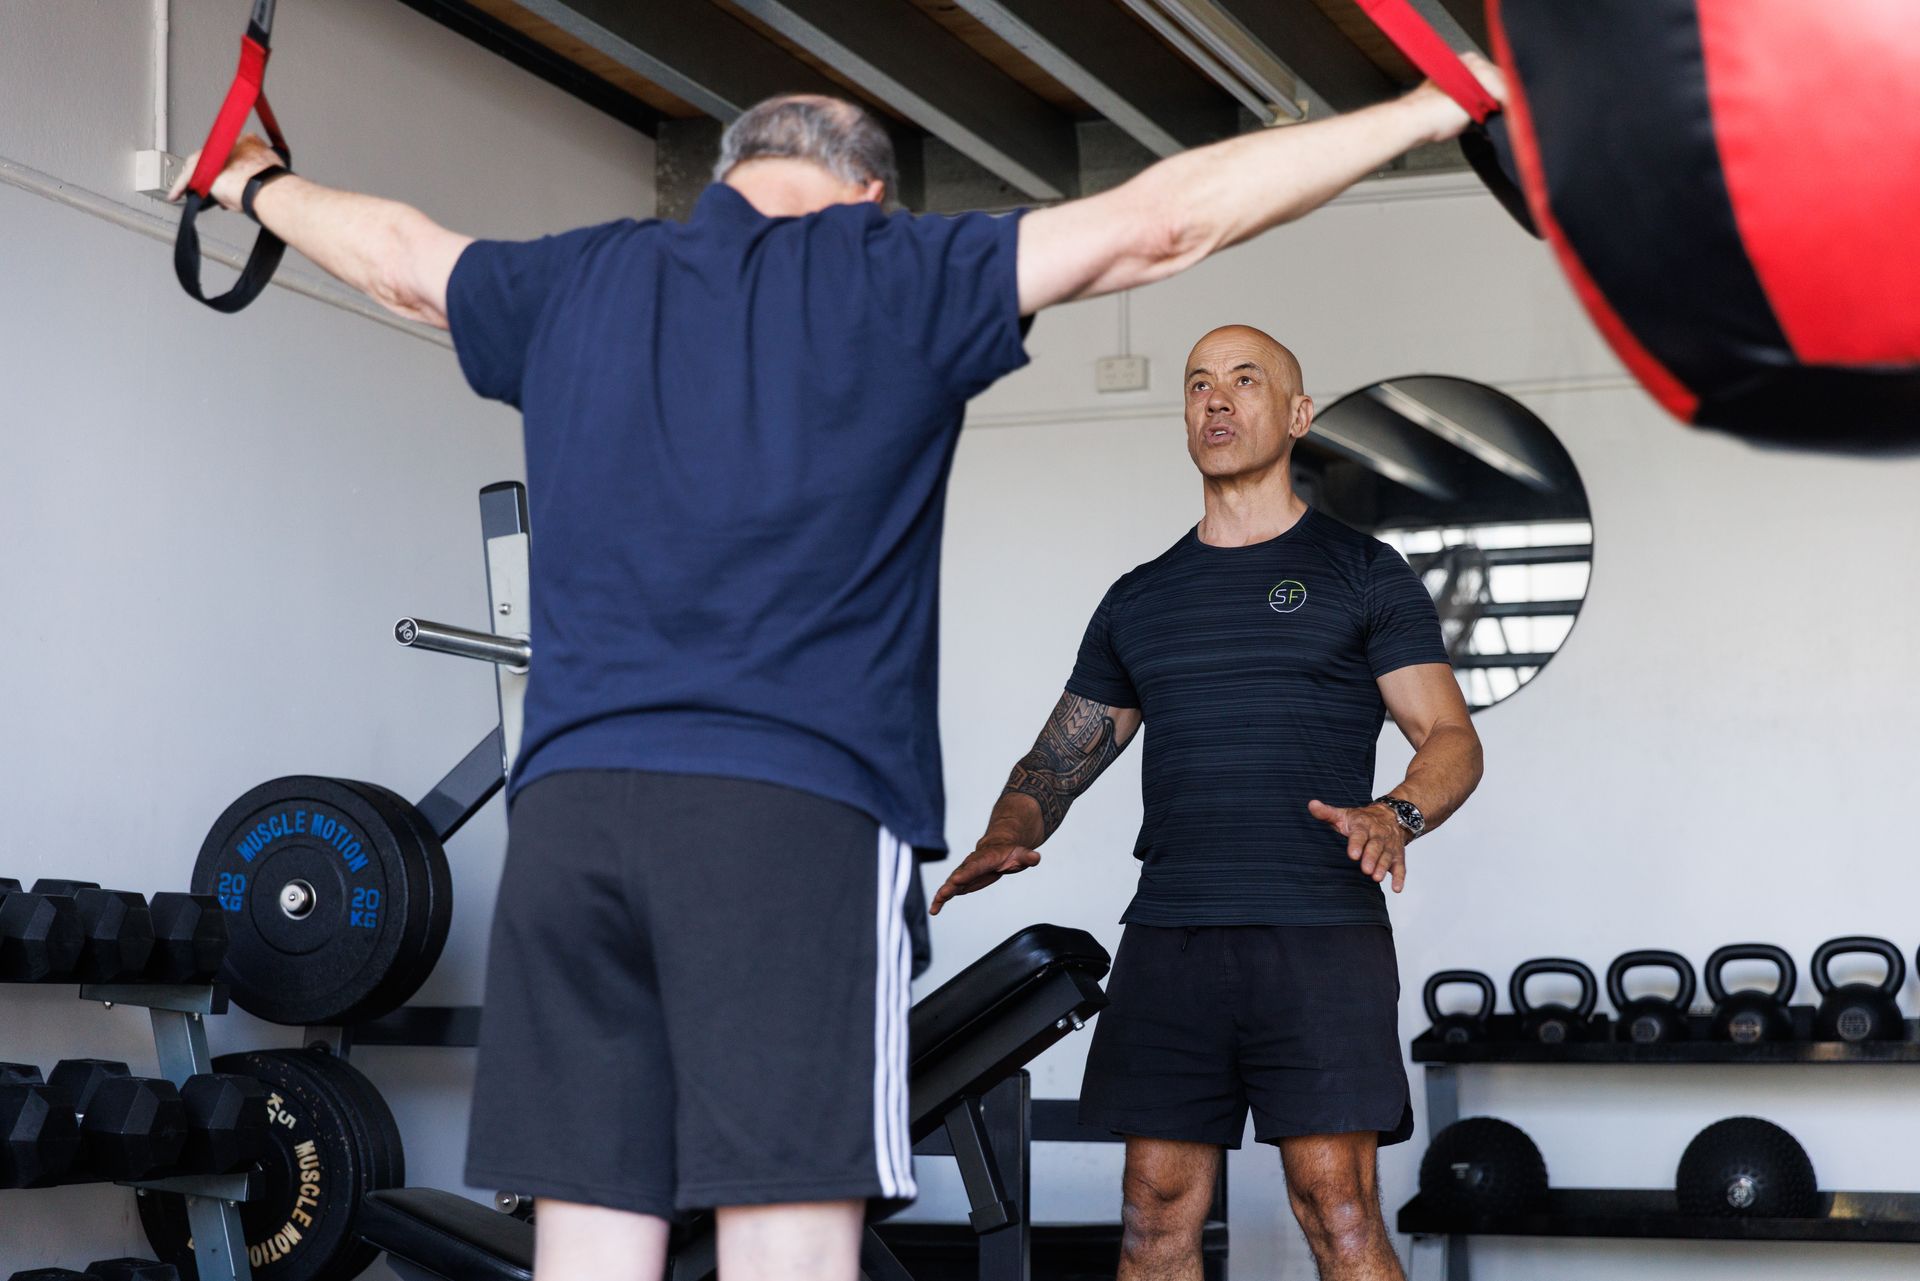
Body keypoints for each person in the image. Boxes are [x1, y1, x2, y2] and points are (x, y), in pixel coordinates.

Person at [175, 61, 1502, 1281]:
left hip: (572, 818)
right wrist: (1433, 106)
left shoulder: (577, 276)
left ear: (723, 180)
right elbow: (1163, 221)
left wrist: (244, 179)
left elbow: (404, 260)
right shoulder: (889, 270)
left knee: (588, 1234)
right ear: (872, 193)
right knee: (788, 1229)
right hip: (788, 814)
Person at [931, 325, 1485, 1281]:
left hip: (1316, 929)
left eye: (1244, 379)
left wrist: (1394, 814)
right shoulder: (1142, 598)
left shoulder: (1364, 572)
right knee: (1153, 1211)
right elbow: (1059, 758)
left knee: (1336, 1205)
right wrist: (1004, 832)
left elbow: (1451, 739)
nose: (1216, 399)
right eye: (1197, 384)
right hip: (1175, 931)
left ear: (1298, 415)